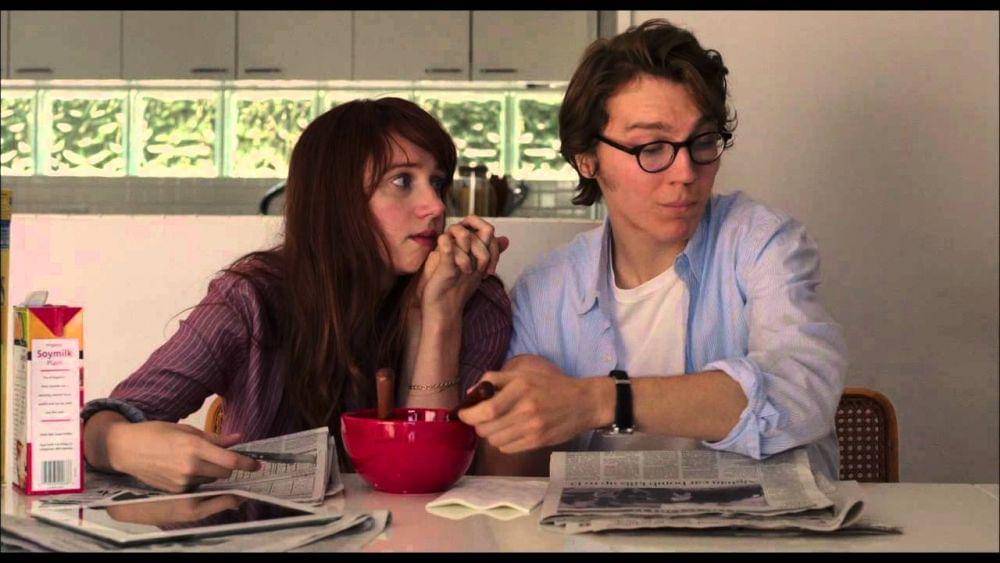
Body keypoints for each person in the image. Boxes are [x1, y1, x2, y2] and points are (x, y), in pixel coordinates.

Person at [459, 19, 847, 480]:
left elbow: (803, 392)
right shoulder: (544, 292)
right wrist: (520, 412)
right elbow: (505, 482)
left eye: (703, 141)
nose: (685, 172)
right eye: (651, 146)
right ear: (587, 158)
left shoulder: (762, 244)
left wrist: (600, 400)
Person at [82, 98, 513, 493]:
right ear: (338, 198)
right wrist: (117, 444)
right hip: (256, 534)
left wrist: (438, 317)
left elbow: (420, 475)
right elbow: (101, 423)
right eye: (402, 180)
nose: (436, 206)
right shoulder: (251, 298)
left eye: (437, 182)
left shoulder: (473, 302)